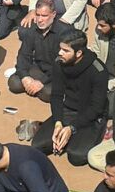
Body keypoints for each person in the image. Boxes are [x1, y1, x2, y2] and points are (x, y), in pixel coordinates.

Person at [33, 31, 107, 167]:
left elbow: (97, 108)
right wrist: (58, 122)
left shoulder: (98, 70)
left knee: (76, 157)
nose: (60, 53)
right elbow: (56, 95)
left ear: (78, 53)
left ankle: (83, 137)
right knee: (38, 146)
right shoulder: (59, 63)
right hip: (68, 110)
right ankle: (68, 137)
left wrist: (71, 128)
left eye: (65, 50)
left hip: (90, 116)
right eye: (60, 48)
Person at [8, 0, 76, 102]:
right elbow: (23, 55)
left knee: (48, 93)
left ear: (53, 14)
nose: (40, 20)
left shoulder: (64, 32)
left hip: (57, 73)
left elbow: (64, 65)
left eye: (44, 16)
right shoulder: (32, 29)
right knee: (14, 83)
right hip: (39, 68)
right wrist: (25, 78)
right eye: (37, 15)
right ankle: (34, 87)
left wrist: (42, 82)